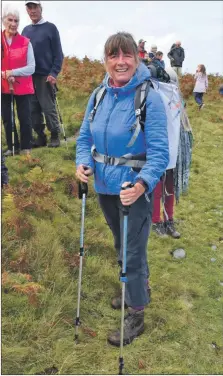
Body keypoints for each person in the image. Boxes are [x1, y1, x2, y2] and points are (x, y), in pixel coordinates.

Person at [76, 32, 169, 346]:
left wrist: (142, 184)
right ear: (106, 61)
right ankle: (135, 289)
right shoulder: (99, 94)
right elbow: (84, 139)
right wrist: (82, 163)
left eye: (126, 55)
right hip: (104, 185)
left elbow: (160, 153)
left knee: (132, 251)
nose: (120, 62)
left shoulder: (149, 98)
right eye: (113, 56)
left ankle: (137, 313)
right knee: (123, 245)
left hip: (133, 188)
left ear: (137, 58)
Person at [152, 67, 193, 238]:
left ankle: (169, 219)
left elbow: (181, 121)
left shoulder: (176, 97)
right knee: (157, 186)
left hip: (175, 150)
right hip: (158, 150)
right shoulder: (153, 97)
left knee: (170, 186)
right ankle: (155, 221)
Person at [22, 0, 64, 148]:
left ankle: (54, 135)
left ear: (41, 8)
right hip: (28, 76)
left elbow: (59, 54)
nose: (32, 10)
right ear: (27, 10)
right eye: (29, 8)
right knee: (33, 109)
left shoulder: (50, 28)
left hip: (45, 76)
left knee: (48, 107)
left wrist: (54, 73)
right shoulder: (25, 31)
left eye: (35, 7)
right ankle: (40, 137)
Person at [1, 5, 35, 157]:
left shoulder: (25, 42)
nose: (13, 24)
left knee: (25, 118)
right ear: (3, 21)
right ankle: (11, 147)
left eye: (16, 21)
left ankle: (26, 147)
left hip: (23, 86)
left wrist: (13, 73)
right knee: (8, 118)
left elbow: (31, 67)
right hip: (3, 86)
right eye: (10, 20)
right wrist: (3, 74)